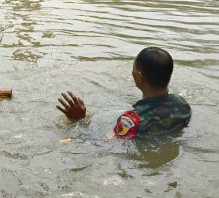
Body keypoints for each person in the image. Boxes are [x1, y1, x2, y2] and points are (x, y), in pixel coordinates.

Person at [57, 47, 191, 138]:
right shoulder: (182, 103)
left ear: (139, 77)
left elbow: (102, 145)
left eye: (133, 69)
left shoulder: (131, 121)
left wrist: (81, 121)